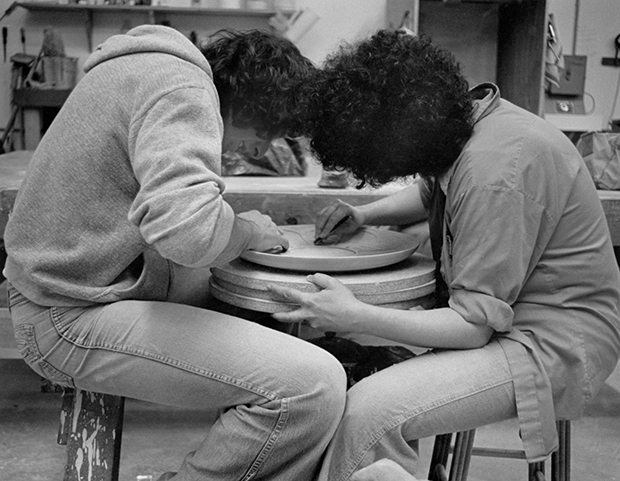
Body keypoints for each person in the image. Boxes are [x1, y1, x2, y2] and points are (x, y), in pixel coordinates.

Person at [268, 31, 620, 480]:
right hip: (509, 315)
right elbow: (430, 189)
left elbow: (473, 325)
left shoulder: (496, 172)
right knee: (360, 369)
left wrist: (356, 315)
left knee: (372, 410)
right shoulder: (472, 124)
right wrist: (365, 214)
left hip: (552, 341)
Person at [3, 25, 347, 481]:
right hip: (66, 315)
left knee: (269, 319)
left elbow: (166, 215)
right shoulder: (184, 89)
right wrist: (246, 232)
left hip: (78, 286)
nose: (261, 149)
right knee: (313, 387)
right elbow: (186, 232)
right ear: (253, 103)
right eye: (270, 133)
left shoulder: (150, 64)